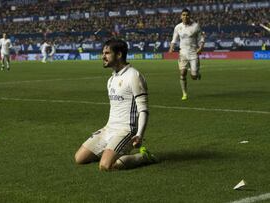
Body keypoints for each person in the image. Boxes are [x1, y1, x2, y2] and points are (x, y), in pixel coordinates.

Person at [74, 39, 157, 171]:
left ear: (119, 55)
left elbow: (143, 110)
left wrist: (140, 134)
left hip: (126, 131)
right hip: (109, 128)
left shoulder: (134, 76)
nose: (103, 56)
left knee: (106, 166)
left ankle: (143, 157)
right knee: (79, 158)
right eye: (103, 53)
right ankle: (112, 152)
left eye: (107, 53)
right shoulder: (111, 79)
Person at [169, 8, 205, 100]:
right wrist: (171, 47)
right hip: (183, 53)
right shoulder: (178, 27)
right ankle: (184, 94)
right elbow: (174, 39)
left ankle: (197, 73)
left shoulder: (196, 26)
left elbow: (201, 39)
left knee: (193, 76)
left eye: (187, 15)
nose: (185, 16)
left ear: (190, 16)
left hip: (193, 52)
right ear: (181, 16)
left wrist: (200, 48)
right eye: (183, 15)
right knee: (182, 73)